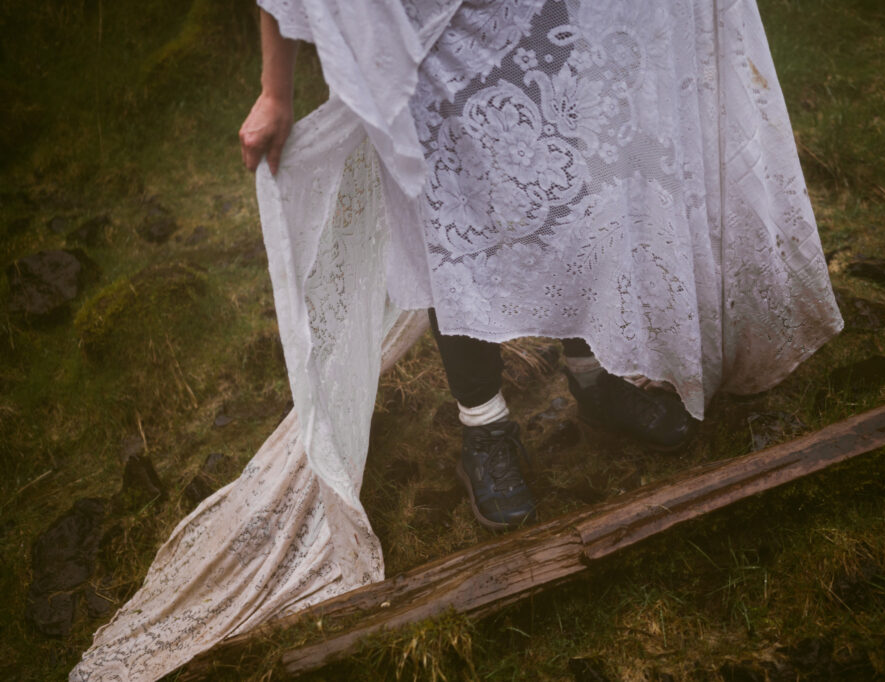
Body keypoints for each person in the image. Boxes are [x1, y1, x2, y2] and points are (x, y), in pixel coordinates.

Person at [240, 0, 843, 530]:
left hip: (533, 18)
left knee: (573, 189)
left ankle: (593, 377)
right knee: (455, 231)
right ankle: (484, 429)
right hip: (416, 50)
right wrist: (276, 90)